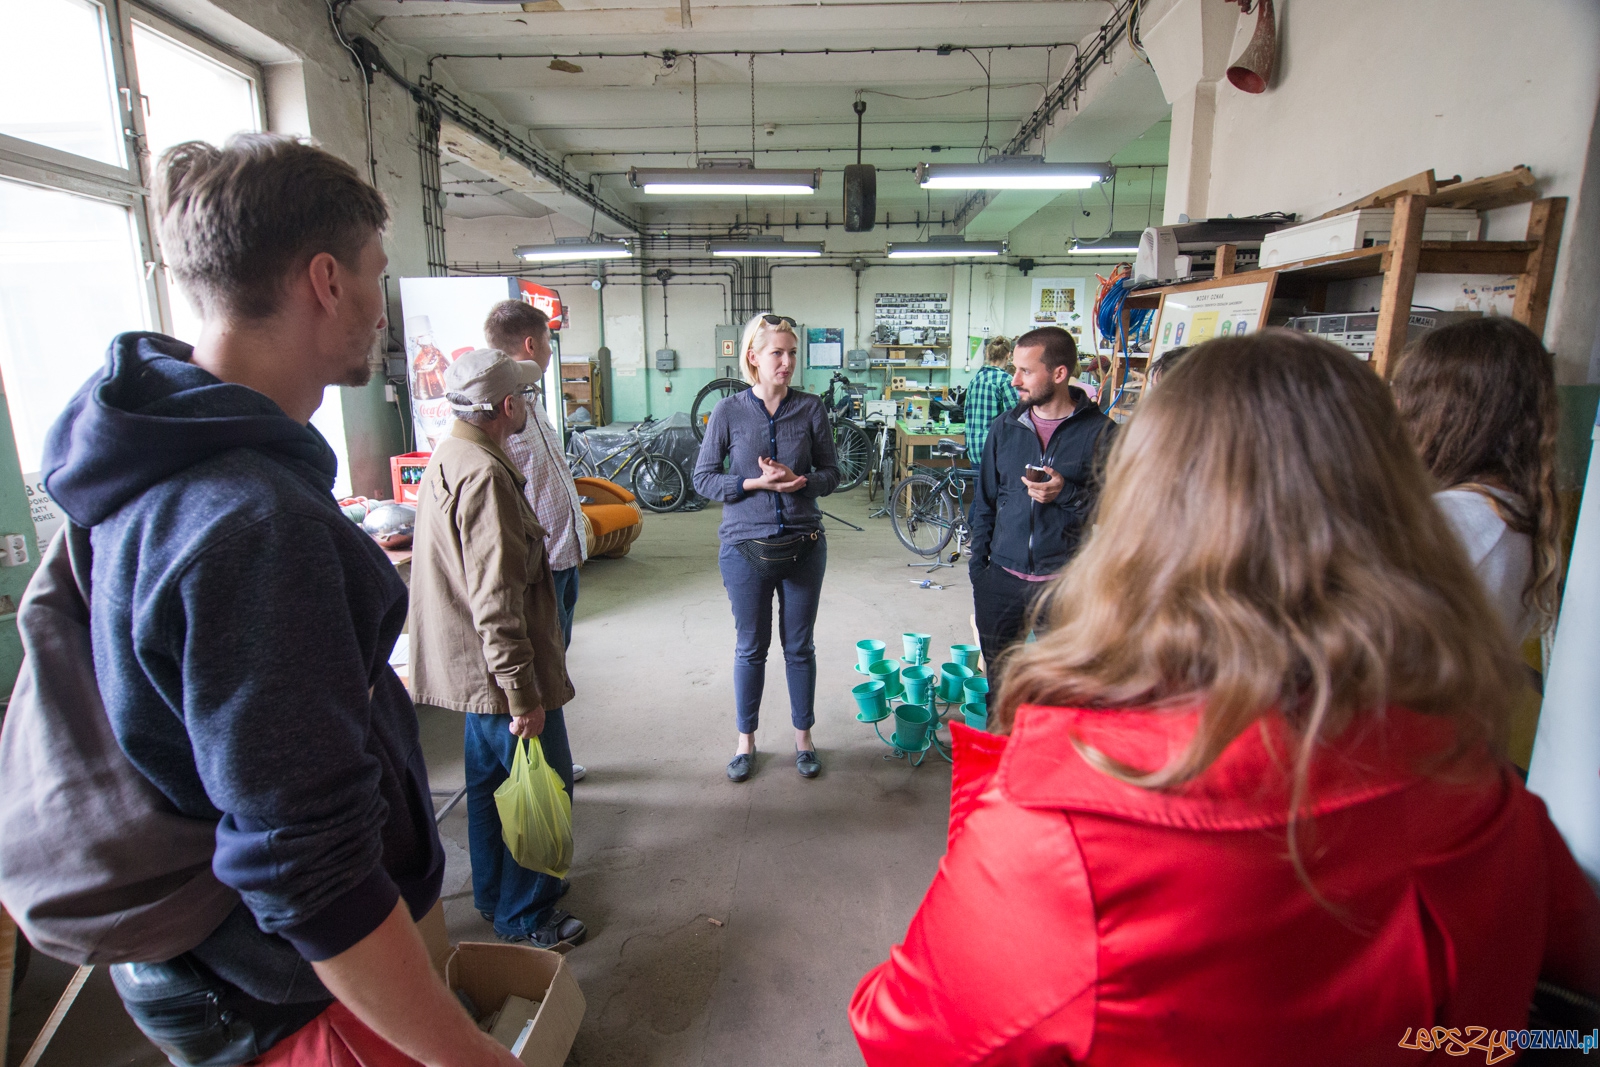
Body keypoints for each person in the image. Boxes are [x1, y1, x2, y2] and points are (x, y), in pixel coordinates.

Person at [850, 332, 1600, 1066]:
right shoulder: (1481, 791)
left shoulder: (1072, 822)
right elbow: (1564, 1003)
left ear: (1144, 512)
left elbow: (905, 1034)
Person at [40, 134, 521, 1066]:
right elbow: (309, 864)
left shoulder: (150, 459)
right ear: (327, 281)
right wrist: (460, 1051)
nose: (381, 308)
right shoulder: (254, 525)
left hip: (224, 965)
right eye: (376, 274)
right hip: (294, 992)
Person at [409, 349, 586, 951]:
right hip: (499, 676)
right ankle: (527, 913)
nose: (530, 405)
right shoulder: (486, 475)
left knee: (489, 788)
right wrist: (523, 695)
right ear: (508, 406)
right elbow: (496, 602)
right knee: (542, 787)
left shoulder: (453, 452)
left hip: (472, 672)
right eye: (526, 397)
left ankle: (494, 895)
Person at [692, 312, 840, 782]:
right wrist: (752, 483)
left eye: (792, 353)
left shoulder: (811, 409)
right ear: (753, 357)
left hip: (804, 545)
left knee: (799, 647)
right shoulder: (728, 411)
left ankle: (804, 739)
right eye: (777, 353)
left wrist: (802, 482)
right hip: (744, 549)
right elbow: (703, 478)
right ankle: (746, 743)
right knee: (750, 648)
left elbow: (833, 473)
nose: (787, 362)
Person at [1391, 317, 1561, 645]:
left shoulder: (1457, 518)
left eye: (1409, 396)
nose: (1397, 409)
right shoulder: (1511, 511)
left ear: (1447, 411)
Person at [967, 325, 1114, 701]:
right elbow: (984, 502)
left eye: (1026, 371)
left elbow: (1120, 511)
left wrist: (1067, 493)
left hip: (1064, 586)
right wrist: (980, 572)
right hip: (1001, 582)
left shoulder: (1102, 434)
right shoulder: (1005, 427)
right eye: (1014, 369)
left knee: (1063, 693)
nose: (1014, 380)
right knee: (1000, 689)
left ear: (1059, 373)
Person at [484, 299, 588, 783]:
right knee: (539, 674)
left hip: (564, 558)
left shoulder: (531, 398)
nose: (550, 350)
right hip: (538, 570)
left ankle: (548, 760)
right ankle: (542, 772)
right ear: (531, 344)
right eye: (548, 341)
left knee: (554, 666)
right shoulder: (503, 409)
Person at [962, 335, 1019, 462]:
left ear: (987, 354)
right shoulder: (1006, 380)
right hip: (995, 450)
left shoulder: (975, 379)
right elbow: (1014, 418)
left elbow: (966, 413)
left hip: (973, 449)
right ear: (1008, 355)